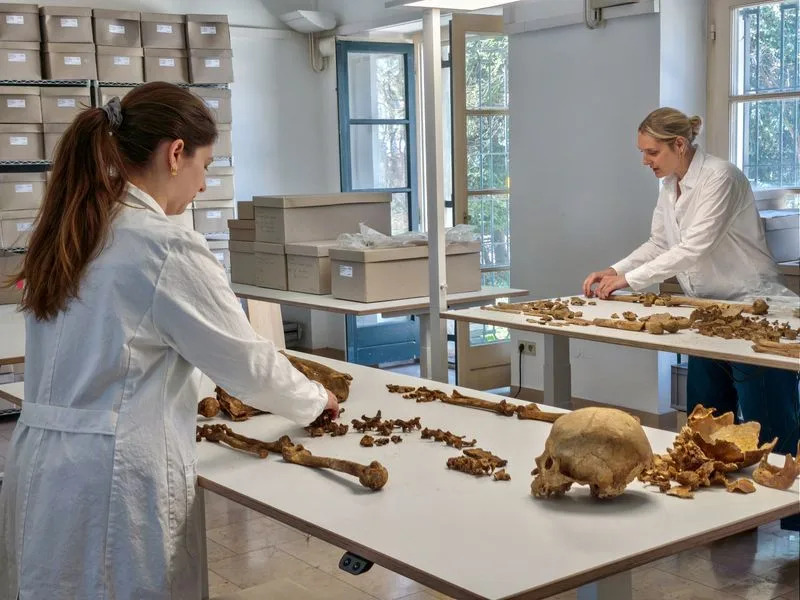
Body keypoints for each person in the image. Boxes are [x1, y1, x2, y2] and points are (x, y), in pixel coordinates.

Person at [0, 82, 339, 599]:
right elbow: (246, 362)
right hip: (114, 474)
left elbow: (121, 341)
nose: (203, 185)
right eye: (206, 166)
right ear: (175, 154)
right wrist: (315, 400)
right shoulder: (163, 245)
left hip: (41, 465)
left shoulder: (73, 226)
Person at [582, 107, 799, 459]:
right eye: (643, 152)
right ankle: (719, 493)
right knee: (705, 428)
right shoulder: (670, 185)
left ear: (679, 145)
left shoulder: (721, 177)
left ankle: (789, 496)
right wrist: (614, 270)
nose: (645, 161)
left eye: (652, 152)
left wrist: (629, 279)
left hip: (755, 312)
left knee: (772, 431)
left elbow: (694, 247)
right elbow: (659, 243)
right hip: (709, 314)